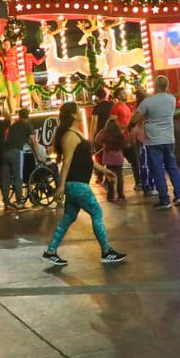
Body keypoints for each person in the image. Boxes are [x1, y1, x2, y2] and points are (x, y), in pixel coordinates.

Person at [42, 102, 126, 266]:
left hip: (75, 183)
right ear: (73, 115)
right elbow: (66, 162)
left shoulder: (75, 133)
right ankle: (106, 251)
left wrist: (103, 170)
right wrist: (61, 185)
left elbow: (86, 160)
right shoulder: (70, 136)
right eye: (78, 111)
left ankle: (51, 251)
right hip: (77, 184)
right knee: (97, 212)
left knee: (69, 217)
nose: (81, 113)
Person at [130, 76, 180, 209]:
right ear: (167, 86)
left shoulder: (148, 102)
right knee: (172, 166)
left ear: (155, 86)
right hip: (169, 139)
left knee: (158, 169)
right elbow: (158, 99)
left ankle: (164, 199)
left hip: (153, 140)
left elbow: (134, 119)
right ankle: (178, 195)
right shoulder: (172, 99)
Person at [2, 108, 44, 210]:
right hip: (16, 152)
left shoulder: (13, 126)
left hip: (4, 152)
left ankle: (6, 203)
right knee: (18, 177)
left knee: (6, 179)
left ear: (19, 116)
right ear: (28, 116)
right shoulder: (27, 125)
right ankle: (19, 203)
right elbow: (33, 142)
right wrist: (39, 157)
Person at [109, 86, 140, 189]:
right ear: (118, 96)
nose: (125, 94)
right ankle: (114, 186)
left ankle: (138, 182)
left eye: (125, 92)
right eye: (123, 93)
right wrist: (123, 128)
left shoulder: (127, 107)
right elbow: (112, 123)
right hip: (119, 139)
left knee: (135, 160)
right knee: (118, 165)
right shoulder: (115, 107)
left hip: (128, 138)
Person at [94, 119, 127, 202]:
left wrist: (104, 144)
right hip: (119, 157)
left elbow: (97, 139)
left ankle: (110, 195)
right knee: (119, 176)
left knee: (110, 177)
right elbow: (125, 143)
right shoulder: (119, 133)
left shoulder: (105, 133)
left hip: (109, 158)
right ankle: (121, 195)